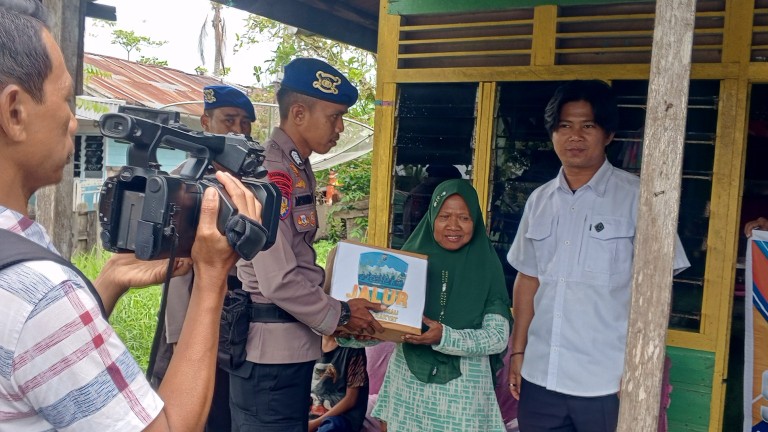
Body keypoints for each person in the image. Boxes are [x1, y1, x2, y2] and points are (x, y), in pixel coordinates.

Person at [0, 2, 264, 430]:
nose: (72, 120)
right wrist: (212, 278)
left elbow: (26, 360)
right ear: (15, 112)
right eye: (66, 98)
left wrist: (108, 281)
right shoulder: (40, 295)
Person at [506, 80, 690, 432]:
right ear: (552, 134)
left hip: (609, 382)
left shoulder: (639, 198)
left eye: (587, 125)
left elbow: (657, 292)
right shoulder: (539, 201)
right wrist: (518, 351)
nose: (575, 136)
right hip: (541, 376)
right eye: (564, 126)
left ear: (608, 134)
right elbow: (528, 280)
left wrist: (641, 368)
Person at [233, 57, 385, 431]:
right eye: (334, 116)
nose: (340, 127)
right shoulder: (272, 172)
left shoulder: (296, 167)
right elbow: (278, 278)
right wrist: (342, 315)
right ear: (298, 113)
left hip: (289, 346)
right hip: (269, 354)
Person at [365, 179, 512, 431]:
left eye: (464, 218)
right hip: (408, 391)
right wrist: (348, 324)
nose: (453, 225)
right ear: (432, 217)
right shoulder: (405, 263)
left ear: (475, 222)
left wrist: (445, 336)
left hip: (462, 398)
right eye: (444, 216)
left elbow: (497, 337)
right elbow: (382, 325)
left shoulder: (486, 266)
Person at [151, 84, 256, 431]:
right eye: (229, 120)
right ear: (206, 122)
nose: (238, 130)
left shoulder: (254, 183)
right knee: (177, 397)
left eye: (245, 122)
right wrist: (179, 332)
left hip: (239, 319)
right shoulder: (184, 178)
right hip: (189, 302)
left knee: (222, 406)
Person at [308, 334, 369, 432]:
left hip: (339, 419)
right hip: (311, 413)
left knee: (331, 426)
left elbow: (351, 399)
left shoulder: (354, 348)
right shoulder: (310, 343)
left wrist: (314, 424)